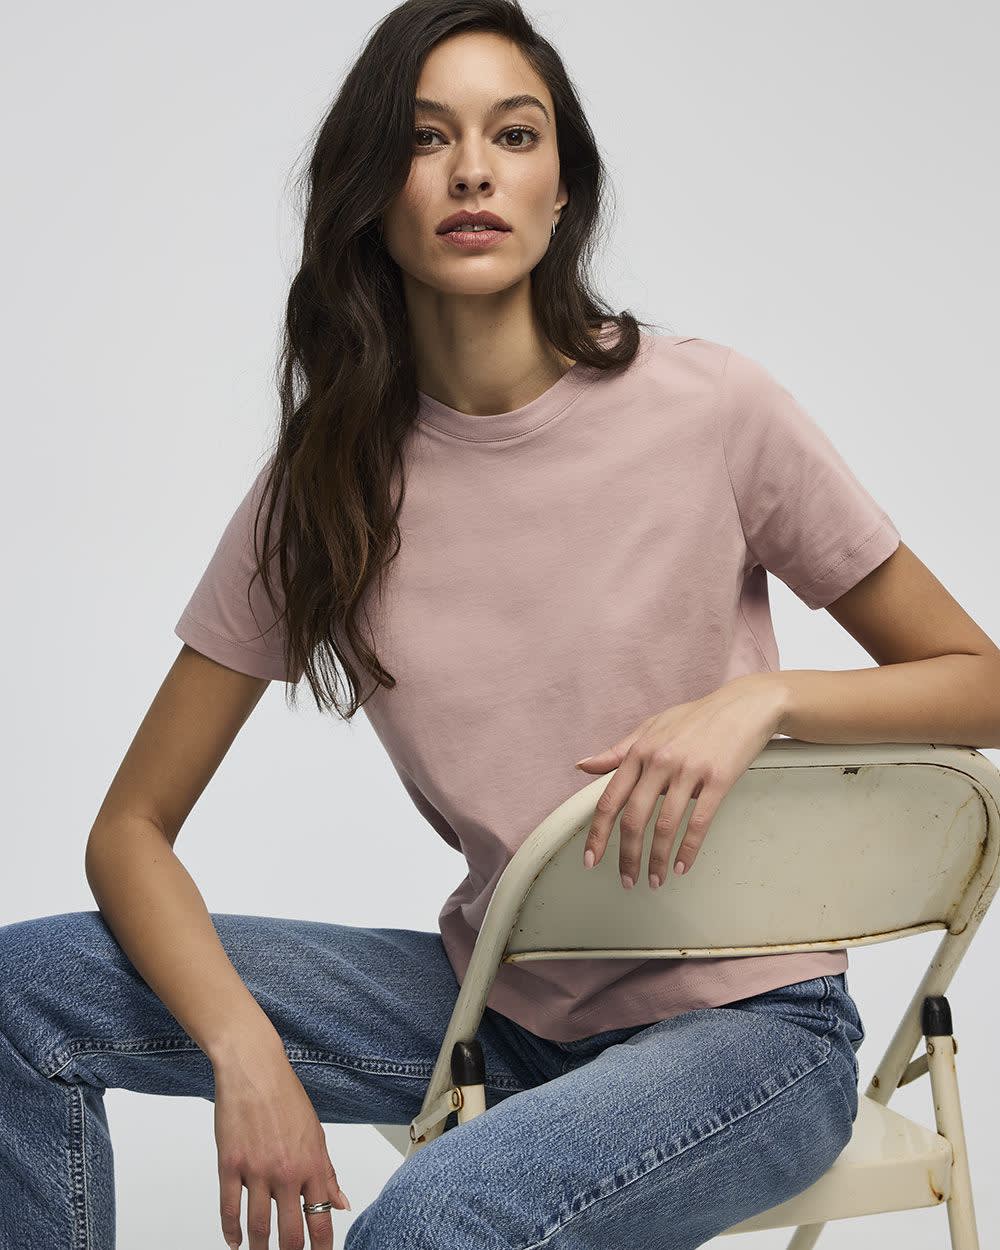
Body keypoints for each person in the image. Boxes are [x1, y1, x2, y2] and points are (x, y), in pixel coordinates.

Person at [1, 2, 900, 1248]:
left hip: (748, 1033)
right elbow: (131, 828)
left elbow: (980, 676)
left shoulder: (714, 409)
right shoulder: (325, 488)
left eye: (513, 135)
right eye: (426, 139)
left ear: (561, 188)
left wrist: (768, 696)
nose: (472, 170)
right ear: (373, 190)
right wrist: (246, 1049)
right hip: (497, 1007)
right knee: (26, 993)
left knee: (437, 1213)